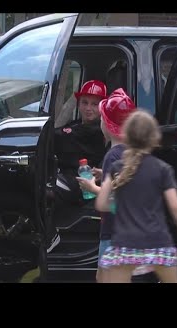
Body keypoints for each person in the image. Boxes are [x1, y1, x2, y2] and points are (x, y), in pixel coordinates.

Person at [95, 110, 177, 283]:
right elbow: (175, 206)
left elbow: (101, 204)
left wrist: (120, 206)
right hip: (158, 244)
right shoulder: (162, 169)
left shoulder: (116, 167)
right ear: (155, 138)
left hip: (124, 246)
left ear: (126, 136)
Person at [75, 88, 139, 282]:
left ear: (108, 126)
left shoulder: (112, 155)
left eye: (102, 118)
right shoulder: (129, 151)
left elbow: (115, 200)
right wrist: (105, 175)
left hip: (114, 234)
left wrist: (92, 188)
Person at [46, 80, 108, 253]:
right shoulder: (77, 125)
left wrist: (73, 99)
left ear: (103, 107)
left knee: (42, 187)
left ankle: (49, 235)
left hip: (80, 183)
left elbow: (55, 132)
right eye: (84, 103)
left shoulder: (96, 131)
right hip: (67, 177)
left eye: (95, 104)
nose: (89, 108)